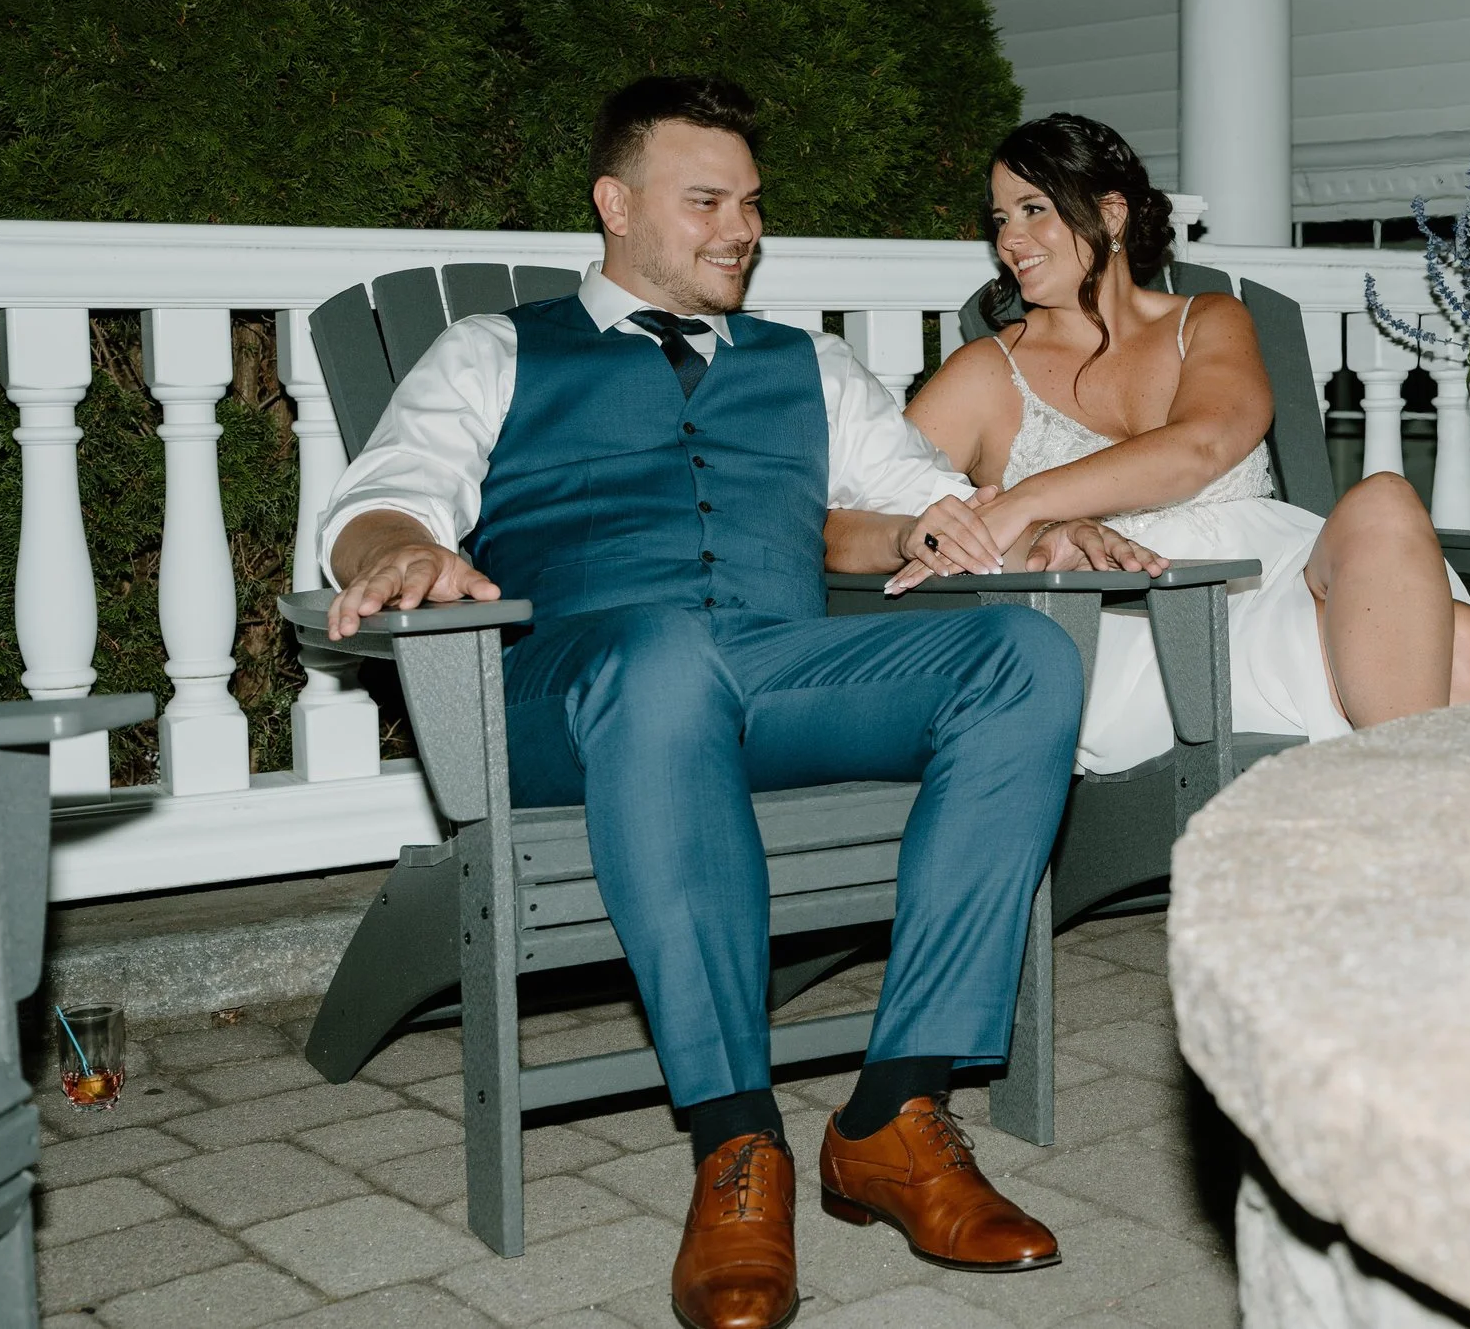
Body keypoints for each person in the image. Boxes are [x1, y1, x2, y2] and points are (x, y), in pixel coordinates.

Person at [318, 77, 1137, 1329]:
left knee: (1022, 655)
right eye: (705, 201)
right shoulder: (496, 348)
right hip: (578, 689)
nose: (741, 228)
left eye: (751, 203)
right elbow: (386, 492)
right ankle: (736, 1140)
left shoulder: (810, 365)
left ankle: (894, 1112)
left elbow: (920, 502)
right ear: (615, 203)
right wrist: (398, 549)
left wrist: (1020, 532)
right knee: (662, 655)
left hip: (771, 671)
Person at [903, 113, 1470, 774]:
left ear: (1110, 214)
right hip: (1146, 628)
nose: (1009, 239)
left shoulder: (1210, 319)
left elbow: (1202, 446)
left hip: (1267, 577)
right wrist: (1008, 536)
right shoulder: (986, 373)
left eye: (1033, 209)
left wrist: (1024, 501)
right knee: (1463, 645)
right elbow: (855, 513)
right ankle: (1439, 820)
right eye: (1000, 219)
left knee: (1388, 499)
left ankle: (1420, 819)